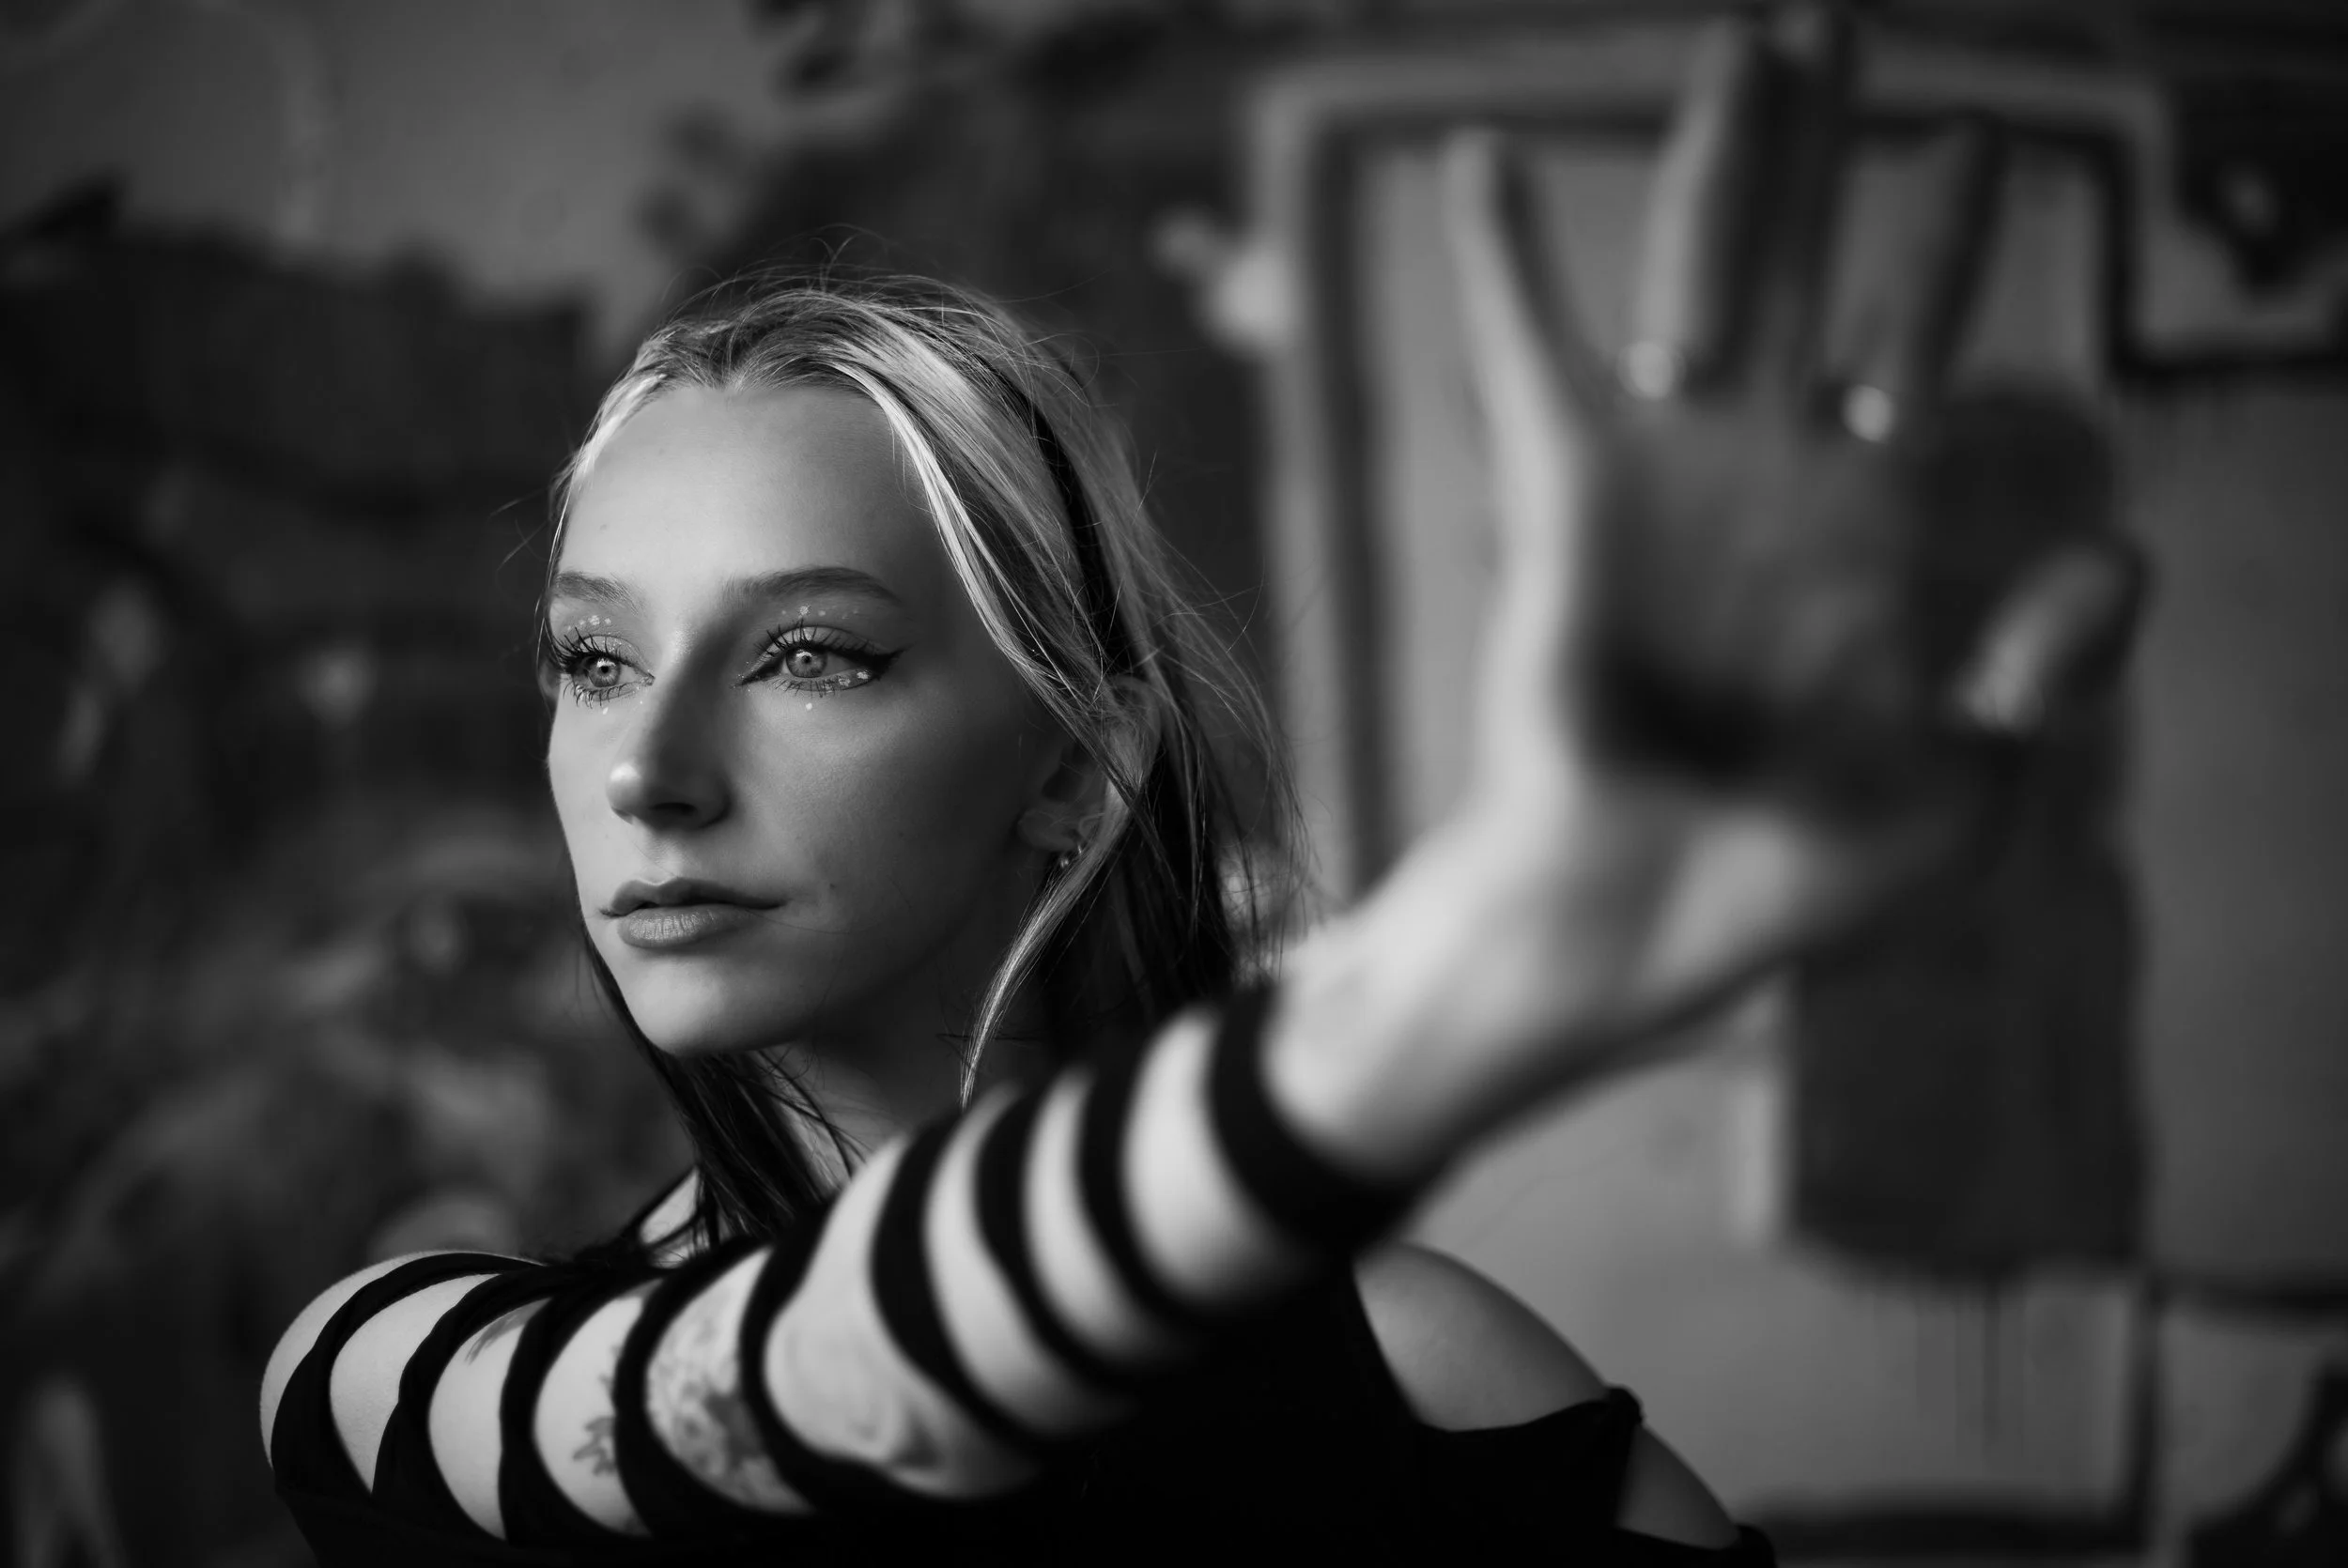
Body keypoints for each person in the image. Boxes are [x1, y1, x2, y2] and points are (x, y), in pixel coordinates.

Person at [256, 9, 2140, 1563]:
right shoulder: (402, 1369)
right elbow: (817, 1384)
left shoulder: (1427, 1394)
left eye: (810, 655)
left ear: (1073, 775)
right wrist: (1445, 997)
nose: (649, 772)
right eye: (594, 659)